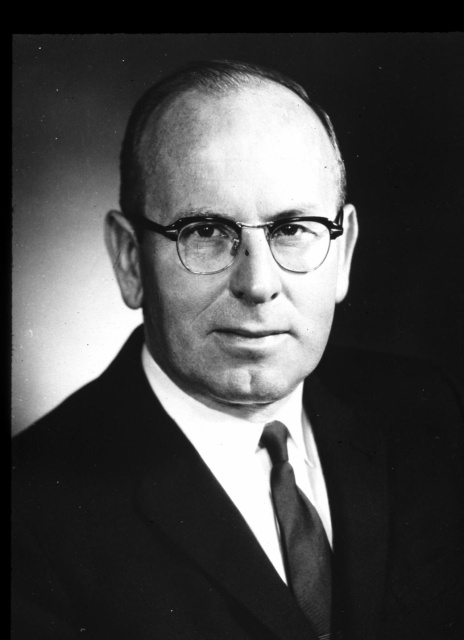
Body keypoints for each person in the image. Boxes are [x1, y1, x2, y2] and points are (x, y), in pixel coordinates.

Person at [11, 60, 463, 640]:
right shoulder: (30, 513)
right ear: (130, 260)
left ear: (344, 251)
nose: (257, 283)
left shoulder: (426, 414)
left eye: (292, 229)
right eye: (204, 231)